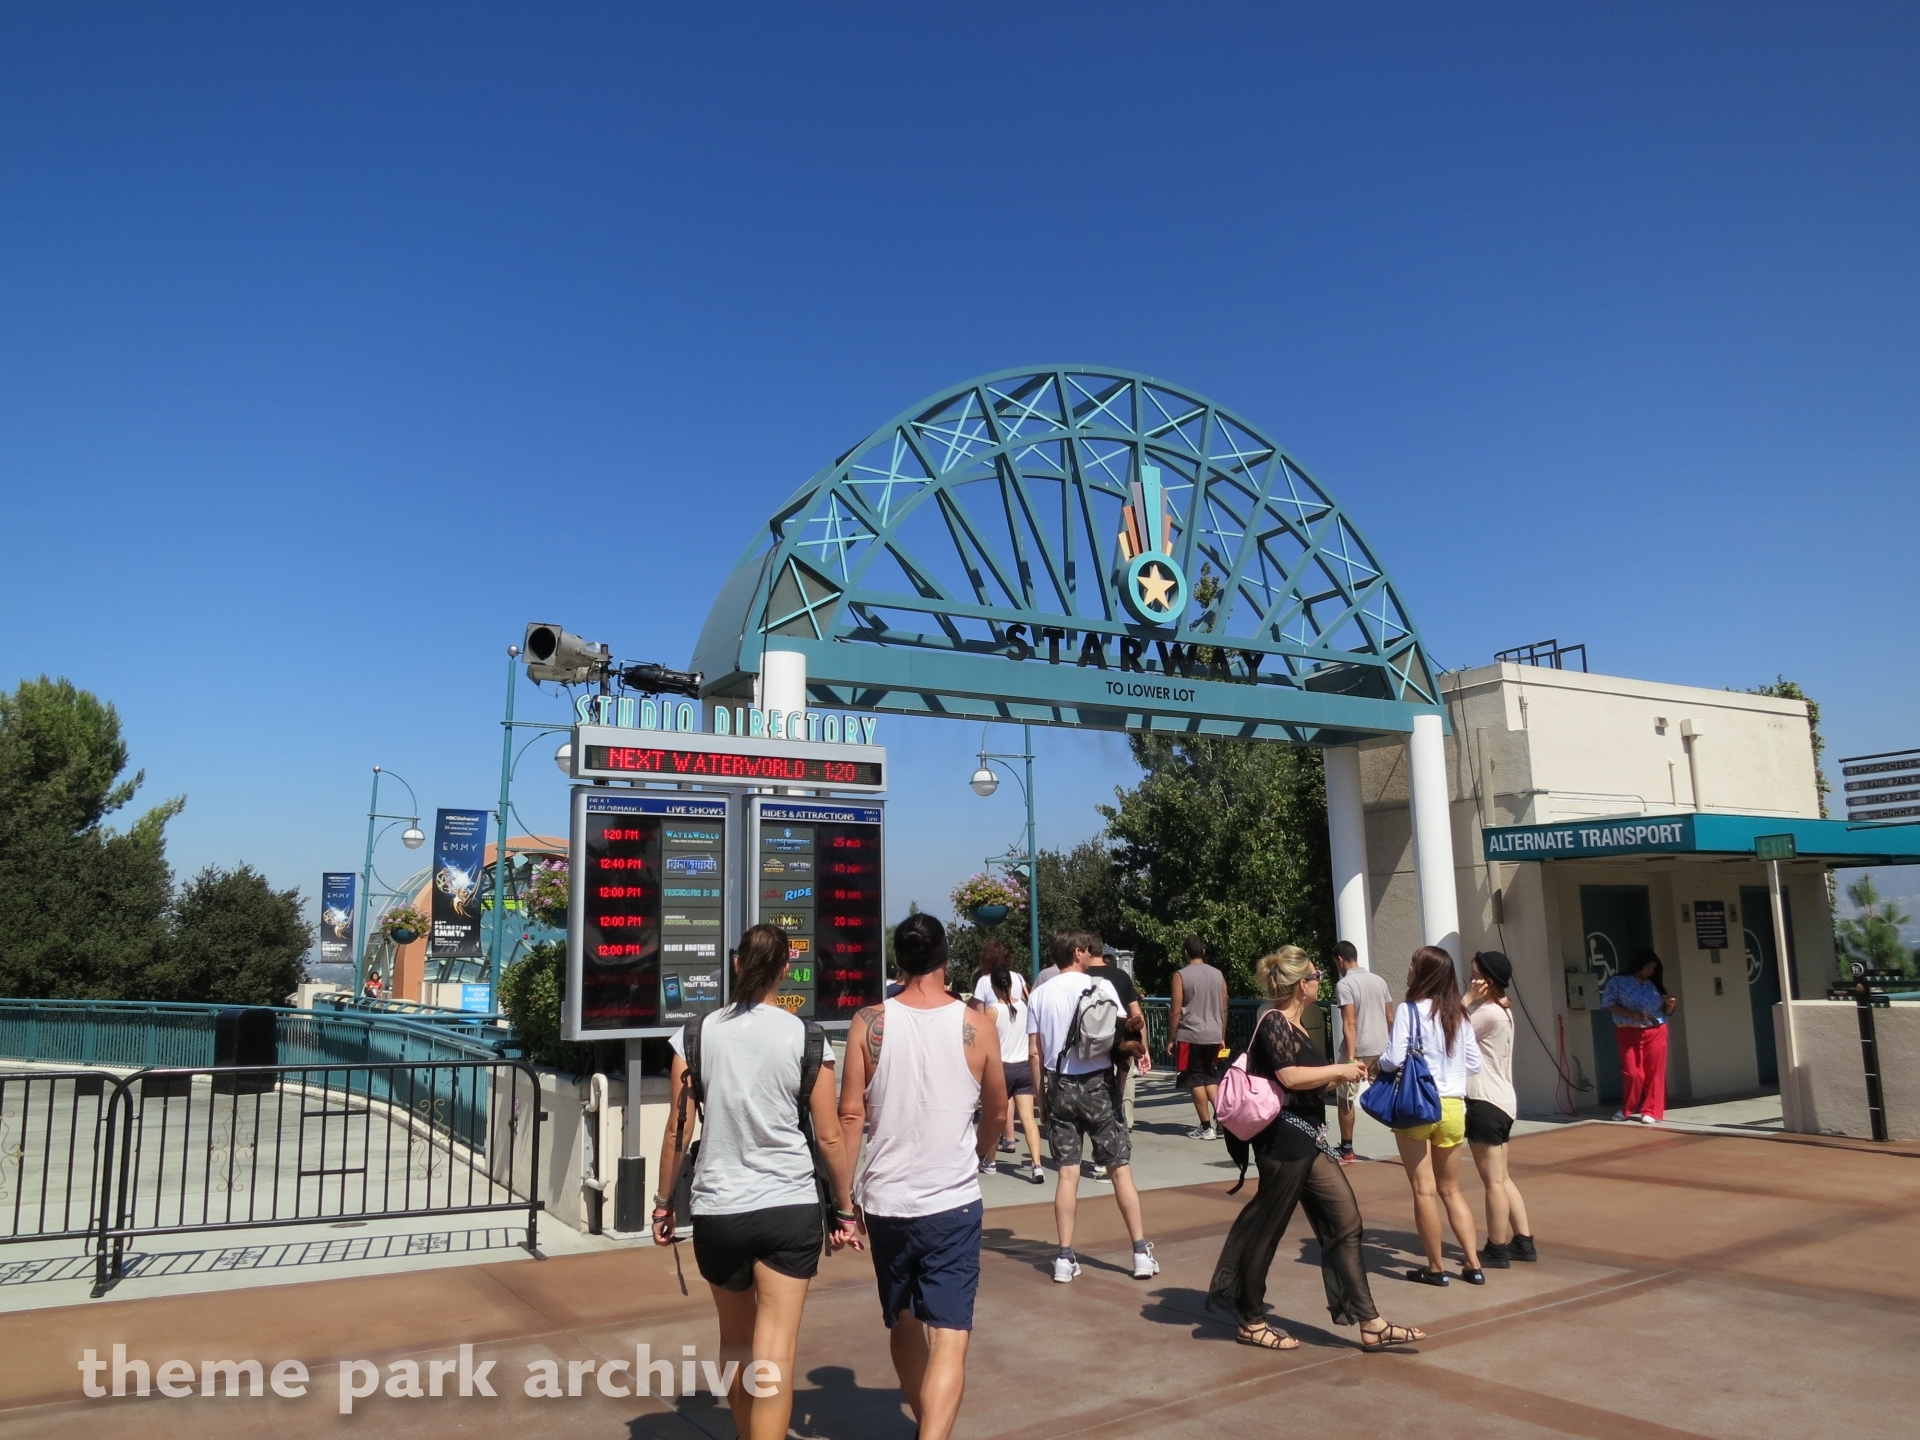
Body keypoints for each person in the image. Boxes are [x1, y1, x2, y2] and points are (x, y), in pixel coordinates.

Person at [653, 924, 860, 1440]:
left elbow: (678, 1129)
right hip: (789, 1207)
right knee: (775, 1354)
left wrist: (663, 1203)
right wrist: (845, 1208)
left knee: (736, 1343)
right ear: (785, 969)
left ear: (737, 964)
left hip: (719, 1208)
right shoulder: (808, 1038)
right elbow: (829, 1137)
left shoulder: (696, 1035)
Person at [1206, 947, 1425, 1353]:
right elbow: (1289, 1077)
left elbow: (1305, 1080)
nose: (1320, 980)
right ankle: (1250, 1320)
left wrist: (1345, 1075)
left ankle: (1371, 1322)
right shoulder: (1273, 1021)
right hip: (1283, 1142)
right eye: (1315, 975)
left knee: (1346, 1222)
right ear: (1300, 985)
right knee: (1267, 1228)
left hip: (1309, 1138)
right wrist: (1339, 1068)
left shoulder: (1299, 1026)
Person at [839, 914, 1007, 1440]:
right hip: (952, 1201)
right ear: (945, 958)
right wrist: (976, 1154)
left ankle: (926, 1425)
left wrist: (843, 1202)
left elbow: (850, 1116)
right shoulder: (977, 1026)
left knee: (904, 1320)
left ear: (899, 958)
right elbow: (998, 1112)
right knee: (950, 1334)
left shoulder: (868, 1022)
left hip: (885, 1201)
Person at [1027, 931, 1158, 1282]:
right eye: (1086, 950)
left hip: (1059, 1085)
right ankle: (1140, 1253)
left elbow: (1035, 1053)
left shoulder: (1039, 995)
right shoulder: (1101, 987)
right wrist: (1120, 1082)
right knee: (1119, 1169)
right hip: (1098, 1084)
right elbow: (1123, 1037)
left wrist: (1041, 1099)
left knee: (1068, 1173)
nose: (1090, 955)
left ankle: (1064, 1257)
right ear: (1077, 953)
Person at [1379, 946, 1485, 1286]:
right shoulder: (1458, 1014)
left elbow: (1393, 1060)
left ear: (1424, 973)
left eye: (1414, 964)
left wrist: (1378, 1063)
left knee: (1423, 1190)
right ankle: (1473, 1265)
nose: (1409, 969)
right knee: (1451, 1189)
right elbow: (1474, 1064)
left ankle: (1436, 1268)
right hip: (1453, 1106)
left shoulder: (1409, 1011)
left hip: (1417, 1105)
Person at [1465, 951, 1536, 1266]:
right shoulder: (1503, 1010)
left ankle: (1497, 1247)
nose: (1471, 980)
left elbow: (1449, 1032)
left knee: (1493, 1181)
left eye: (1475, 975)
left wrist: (1467, 999)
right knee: (1502, 1177)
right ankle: (1523, 1242)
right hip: (1502, 1101)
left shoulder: (1488, 1013)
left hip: (1485, 1102)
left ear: (1488, 981)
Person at [972, 942, 1045, 1184]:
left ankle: (990, 1161)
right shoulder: (1024, 1006)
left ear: (992, 986)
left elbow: (982, 1039)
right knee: (1028, 1119)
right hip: (1023, 1066)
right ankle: (1036, 1164)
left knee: (996, 1116)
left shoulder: (992, 1011)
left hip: (1001, 1069)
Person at [1333, 941, 1393, 1163]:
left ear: (1340, 960)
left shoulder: (1345, 984)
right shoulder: (1379, 981)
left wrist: (1350, 1060)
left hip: (1357, 1050)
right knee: (1391, 1093)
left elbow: (1349, 1024)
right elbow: (1390, 1018)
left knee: (1346, 1099)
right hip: (1381, 1048)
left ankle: (1347, 1148)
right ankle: (1410, 1136)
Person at [1601, 950, 1677, 1124]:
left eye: (1653, 968)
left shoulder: (1654, 984)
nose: (1650, 971)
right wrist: (1630, 1014)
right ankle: (1627, 1108)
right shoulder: (1618, 981)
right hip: (1628, 1031)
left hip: (1655, 1031)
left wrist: (1670, 1005)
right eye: (1648, 967)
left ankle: (1650, 1111)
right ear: (1638, 965)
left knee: (1654, 1072)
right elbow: (1608, 1004)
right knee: (1633, 1073)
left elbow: (1665, 1012)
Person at [1086, 936, 1148, 1137]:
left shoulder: (1081, 976)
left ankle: (1096, 1121)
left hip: (1092, 1042)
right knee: (1125, 1078)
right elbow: (1137, 1014)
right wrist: (1144, 1048)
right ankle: (1124, 1119)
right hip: (1122, 1038)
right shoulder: (1120, 976)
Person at [1169, 935, 1227, 1140]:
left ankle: (1205, 1127)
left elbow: (1176, 1011)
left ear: (1185, 953)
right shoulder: (1218, 975)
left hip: (1190, 1035)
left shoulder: (1180, 975)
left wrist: (1171, 1038)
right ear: (1203, 951)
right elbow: (1224, 1009)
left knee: (1194, 1079)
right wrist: (1222, 1035)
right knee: (1210, 1077)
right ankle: (1223, 1121)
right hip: (1214, 1034)